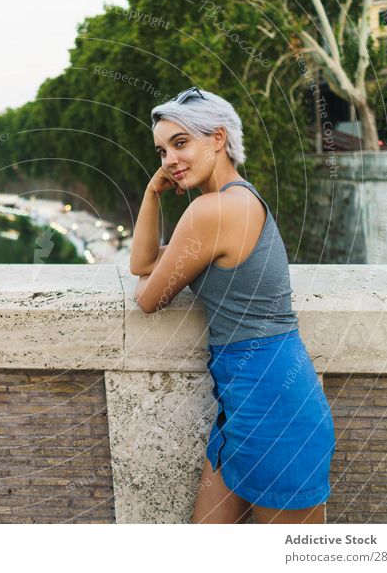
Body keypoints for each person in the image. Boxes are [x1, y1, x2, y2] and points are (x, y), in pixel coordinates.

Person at [129, 87, 336, 524]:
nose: (169, 159)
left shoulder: (214, 211)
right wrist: (152, 193)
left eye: (180, 143)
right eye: (162, 151)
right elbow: (143, 262)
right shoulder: (237, 200)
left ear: (218, 139)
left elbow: (148, 296)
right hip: (241, 401)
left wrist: (155, 202)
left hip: (274, 406)